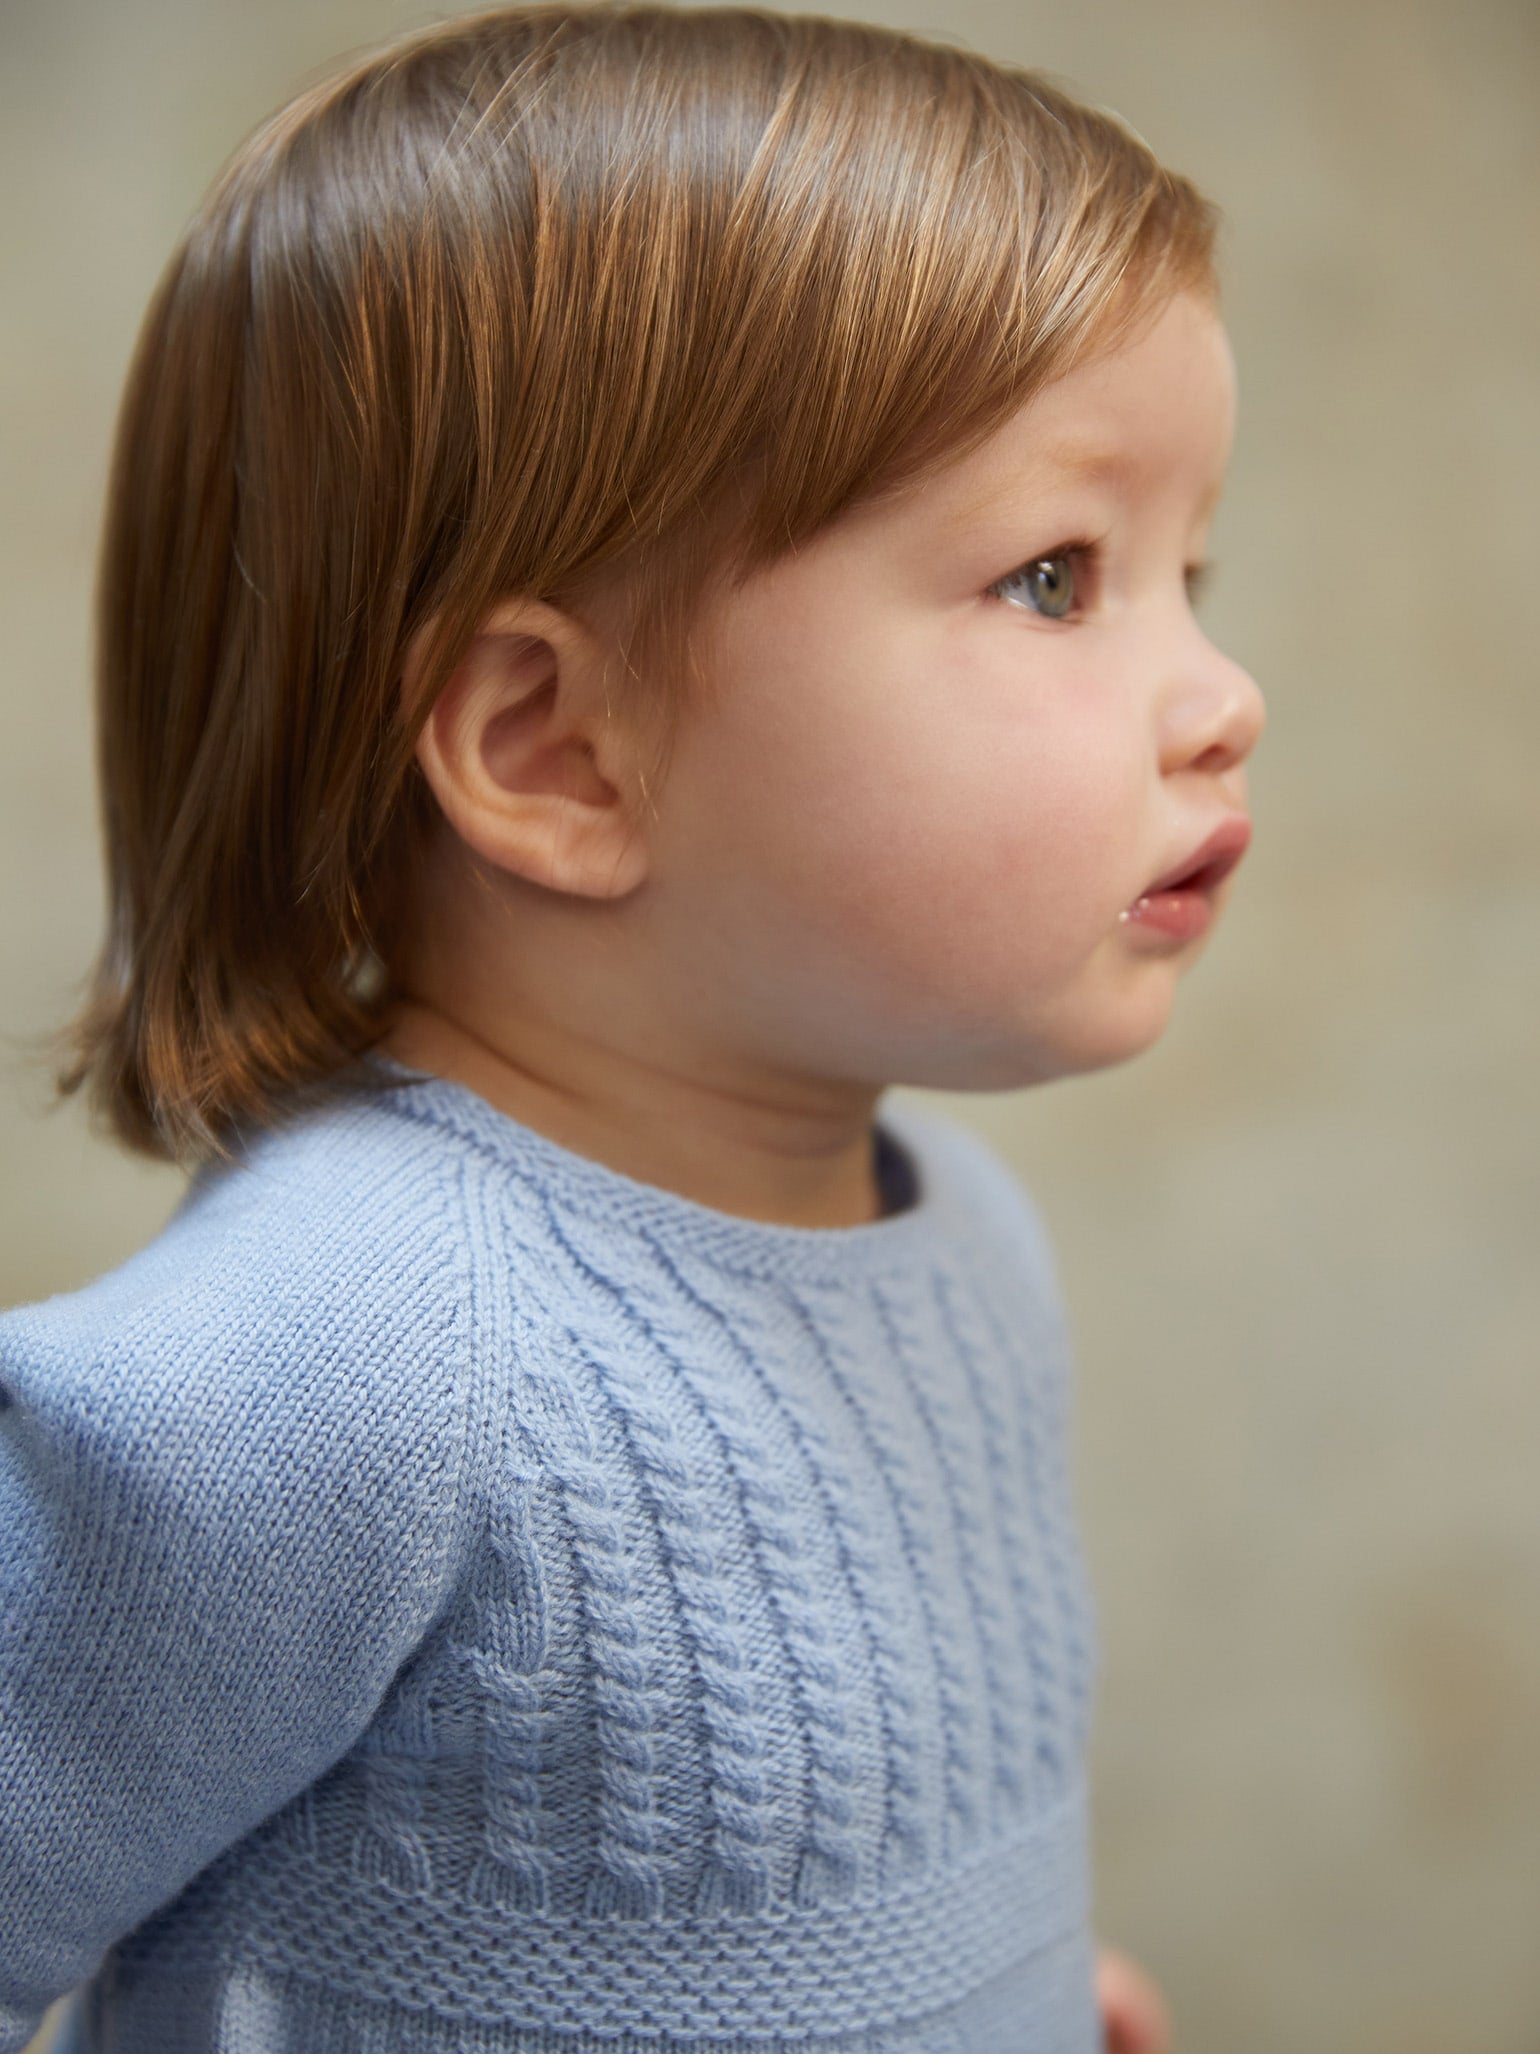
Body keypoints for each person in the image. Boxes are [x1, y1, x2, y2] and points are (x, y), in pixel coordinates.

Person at [0, 5, 1264, 2050]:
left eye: (1185, 570)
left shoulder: (954, 1236)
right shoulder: (338, 1352)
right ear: (559, 752)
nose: (1219, 691)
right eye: (1054, 575)